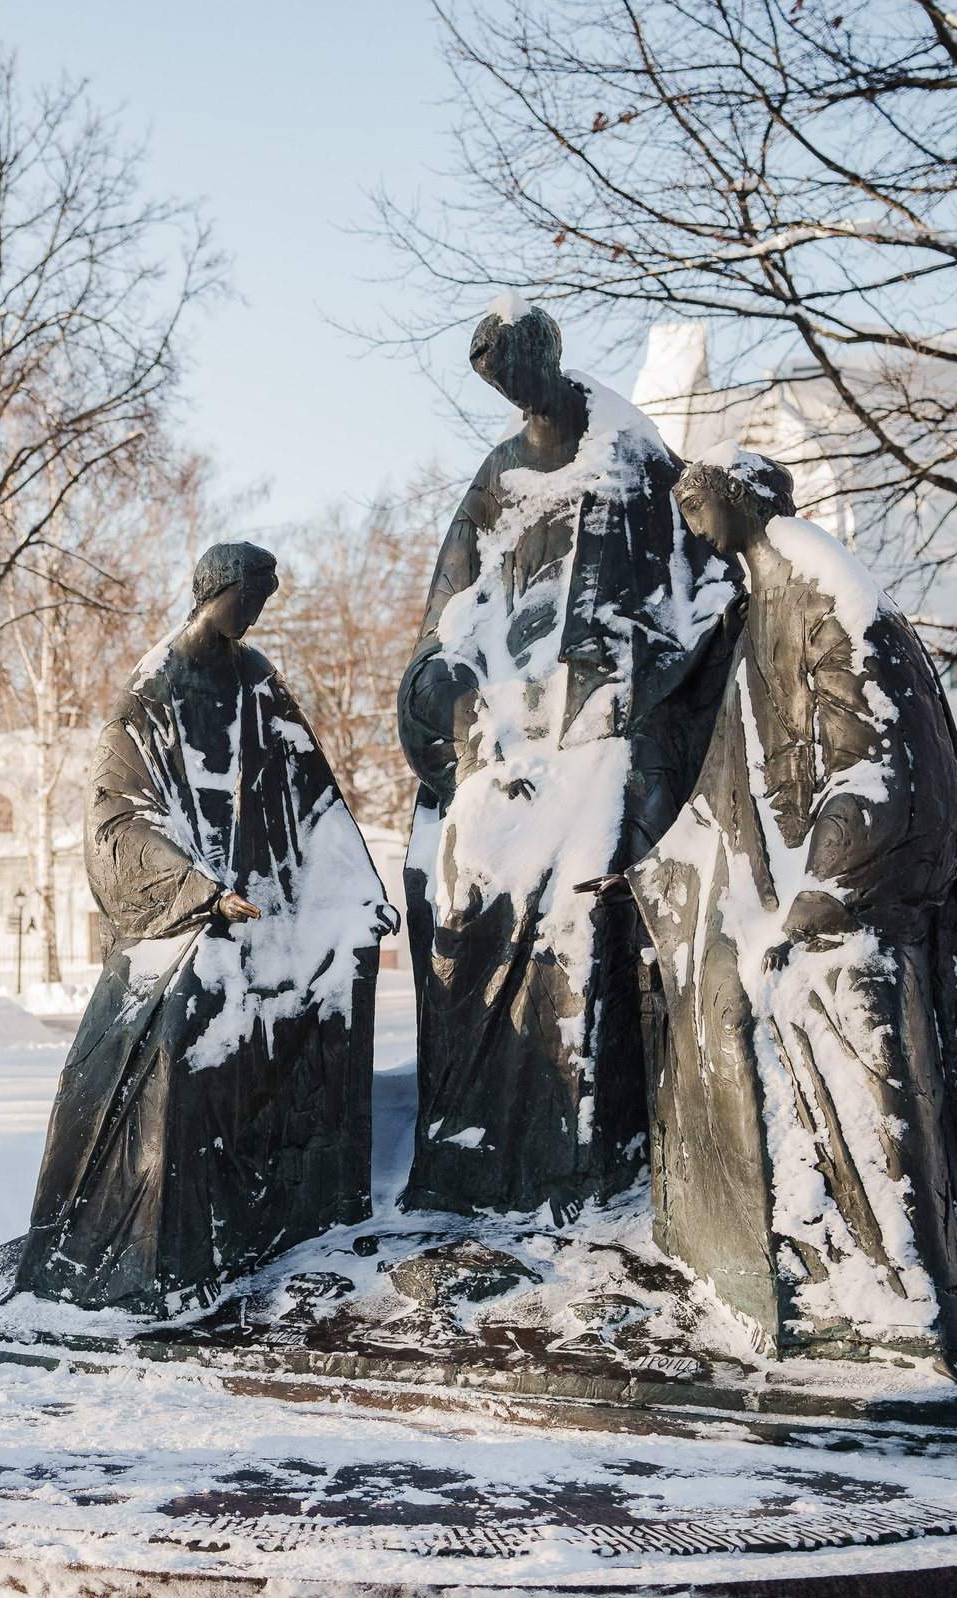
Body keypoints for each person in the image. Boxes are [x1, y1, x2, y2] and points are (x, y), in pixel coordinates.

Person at [630, 448, 957, 1364]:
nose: (690, 528)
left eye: (699, 508)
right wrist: (658, 869)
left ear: (741, 501)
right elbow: (727, 788)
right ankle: (813, 1273)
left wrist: (827, 889)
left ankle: (911, 1303)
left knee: (870, 1096)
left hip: (855, 907)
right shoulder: (757, 604)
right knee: (721, 1012)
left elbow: (884, 758)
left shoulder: (823, 588)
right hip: (802, 906)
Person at [395, 296, 735, 1220]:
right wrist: (464, 700)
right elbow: (454, 610)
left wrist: (619, 688)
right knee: (459, 887)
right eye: (498, 384)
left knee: (585, 889)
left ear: (548, 360)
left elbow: (694, 587)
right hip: (512, 736)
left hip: (607, 737)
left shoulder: (627, 455)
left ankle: (574, 1157)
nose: (513, 396)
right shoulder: (499, 475)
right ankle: (470, 1150)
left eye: (519, 374)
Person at [12, 543, 396, 1314]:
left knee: (328, 974)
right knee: (187, 1018)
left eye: (264, 600)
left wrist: (356, 890)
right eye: (248, 597)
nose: (255, 614)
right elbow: (115, 815)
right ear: (213, 591)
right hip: (185, 913)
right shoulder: (151, 690)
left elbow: (311, 790)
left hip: (267, 908)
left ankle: (295, 1206)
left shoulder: (255, 679)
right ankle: (165, 1244)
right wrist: (199, 890)